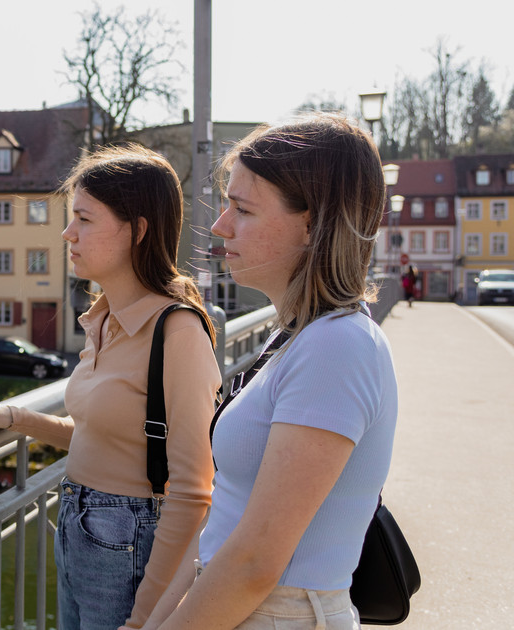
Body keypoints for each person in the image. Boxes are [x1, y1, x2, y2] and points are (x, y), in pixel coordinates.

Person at [138, 112, 398, 630]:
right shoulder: (301, 337)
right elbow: (225, 529)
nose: (219, 225)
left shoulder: (337, 348)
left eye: (242, 208)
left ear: (311, 223)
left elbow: (256, 563)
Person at [0, 145, 222, 629]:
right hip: (80, 524)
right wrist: (14, 418)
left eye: (84, 219)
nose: (67, 233)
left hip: (128, 540)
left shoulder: (176, 332)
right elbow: (97, 435)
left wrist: (144, 618)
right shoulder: (105, 321)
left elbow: (193, 489)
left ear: (138, 230)